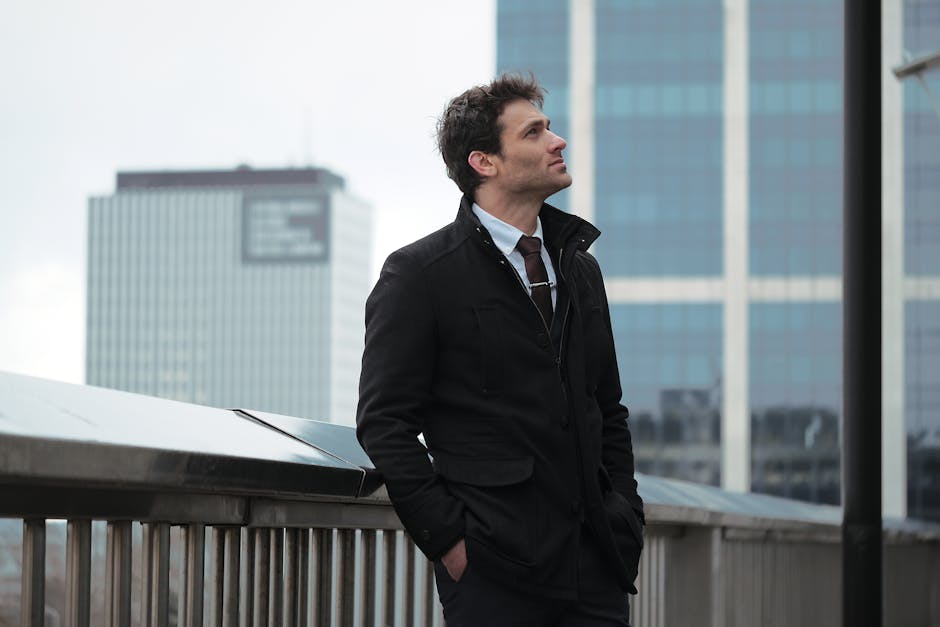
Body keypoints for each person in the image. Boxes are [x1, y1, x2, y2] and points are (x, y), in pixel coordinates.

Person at [356, 74, 644, 626]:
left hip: (595, 571)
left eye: (549, 128)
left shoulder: (580, 269)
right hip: (493, 574)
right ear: (484, 162)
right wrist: (450, 543)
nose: (557, 141)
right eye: (534, 132)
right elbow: (384, 423)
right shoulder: (420, 274)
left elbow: (608, 408)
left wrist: (624, 515)